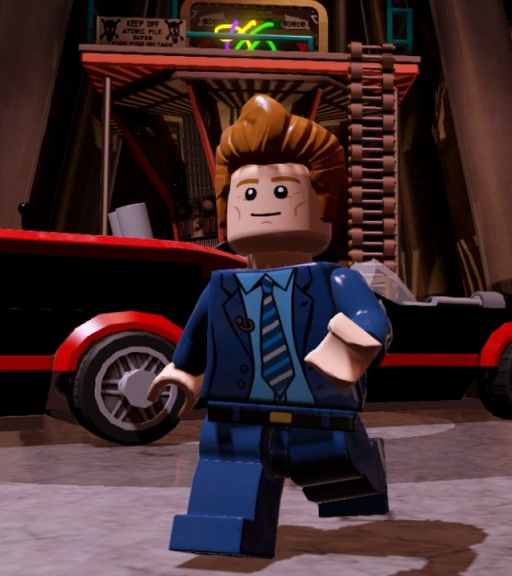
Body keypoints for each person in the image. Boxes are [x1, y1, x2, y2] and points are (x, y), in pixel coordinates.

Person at [147, 94, 391, 558]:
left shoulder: (332, 279)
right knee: (227, 470)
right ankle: (224, 536)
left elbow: (371, 317)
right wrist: (181, 370)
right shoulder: (222, 286)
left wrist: (354, 345)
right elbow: (198, 332)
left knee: (334, 470)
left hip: (316, 402)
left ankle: (362, 479)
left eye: (281, 192)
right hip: (237, 407)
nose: (260, 204)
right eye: (247, 194)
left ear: (323, 205)